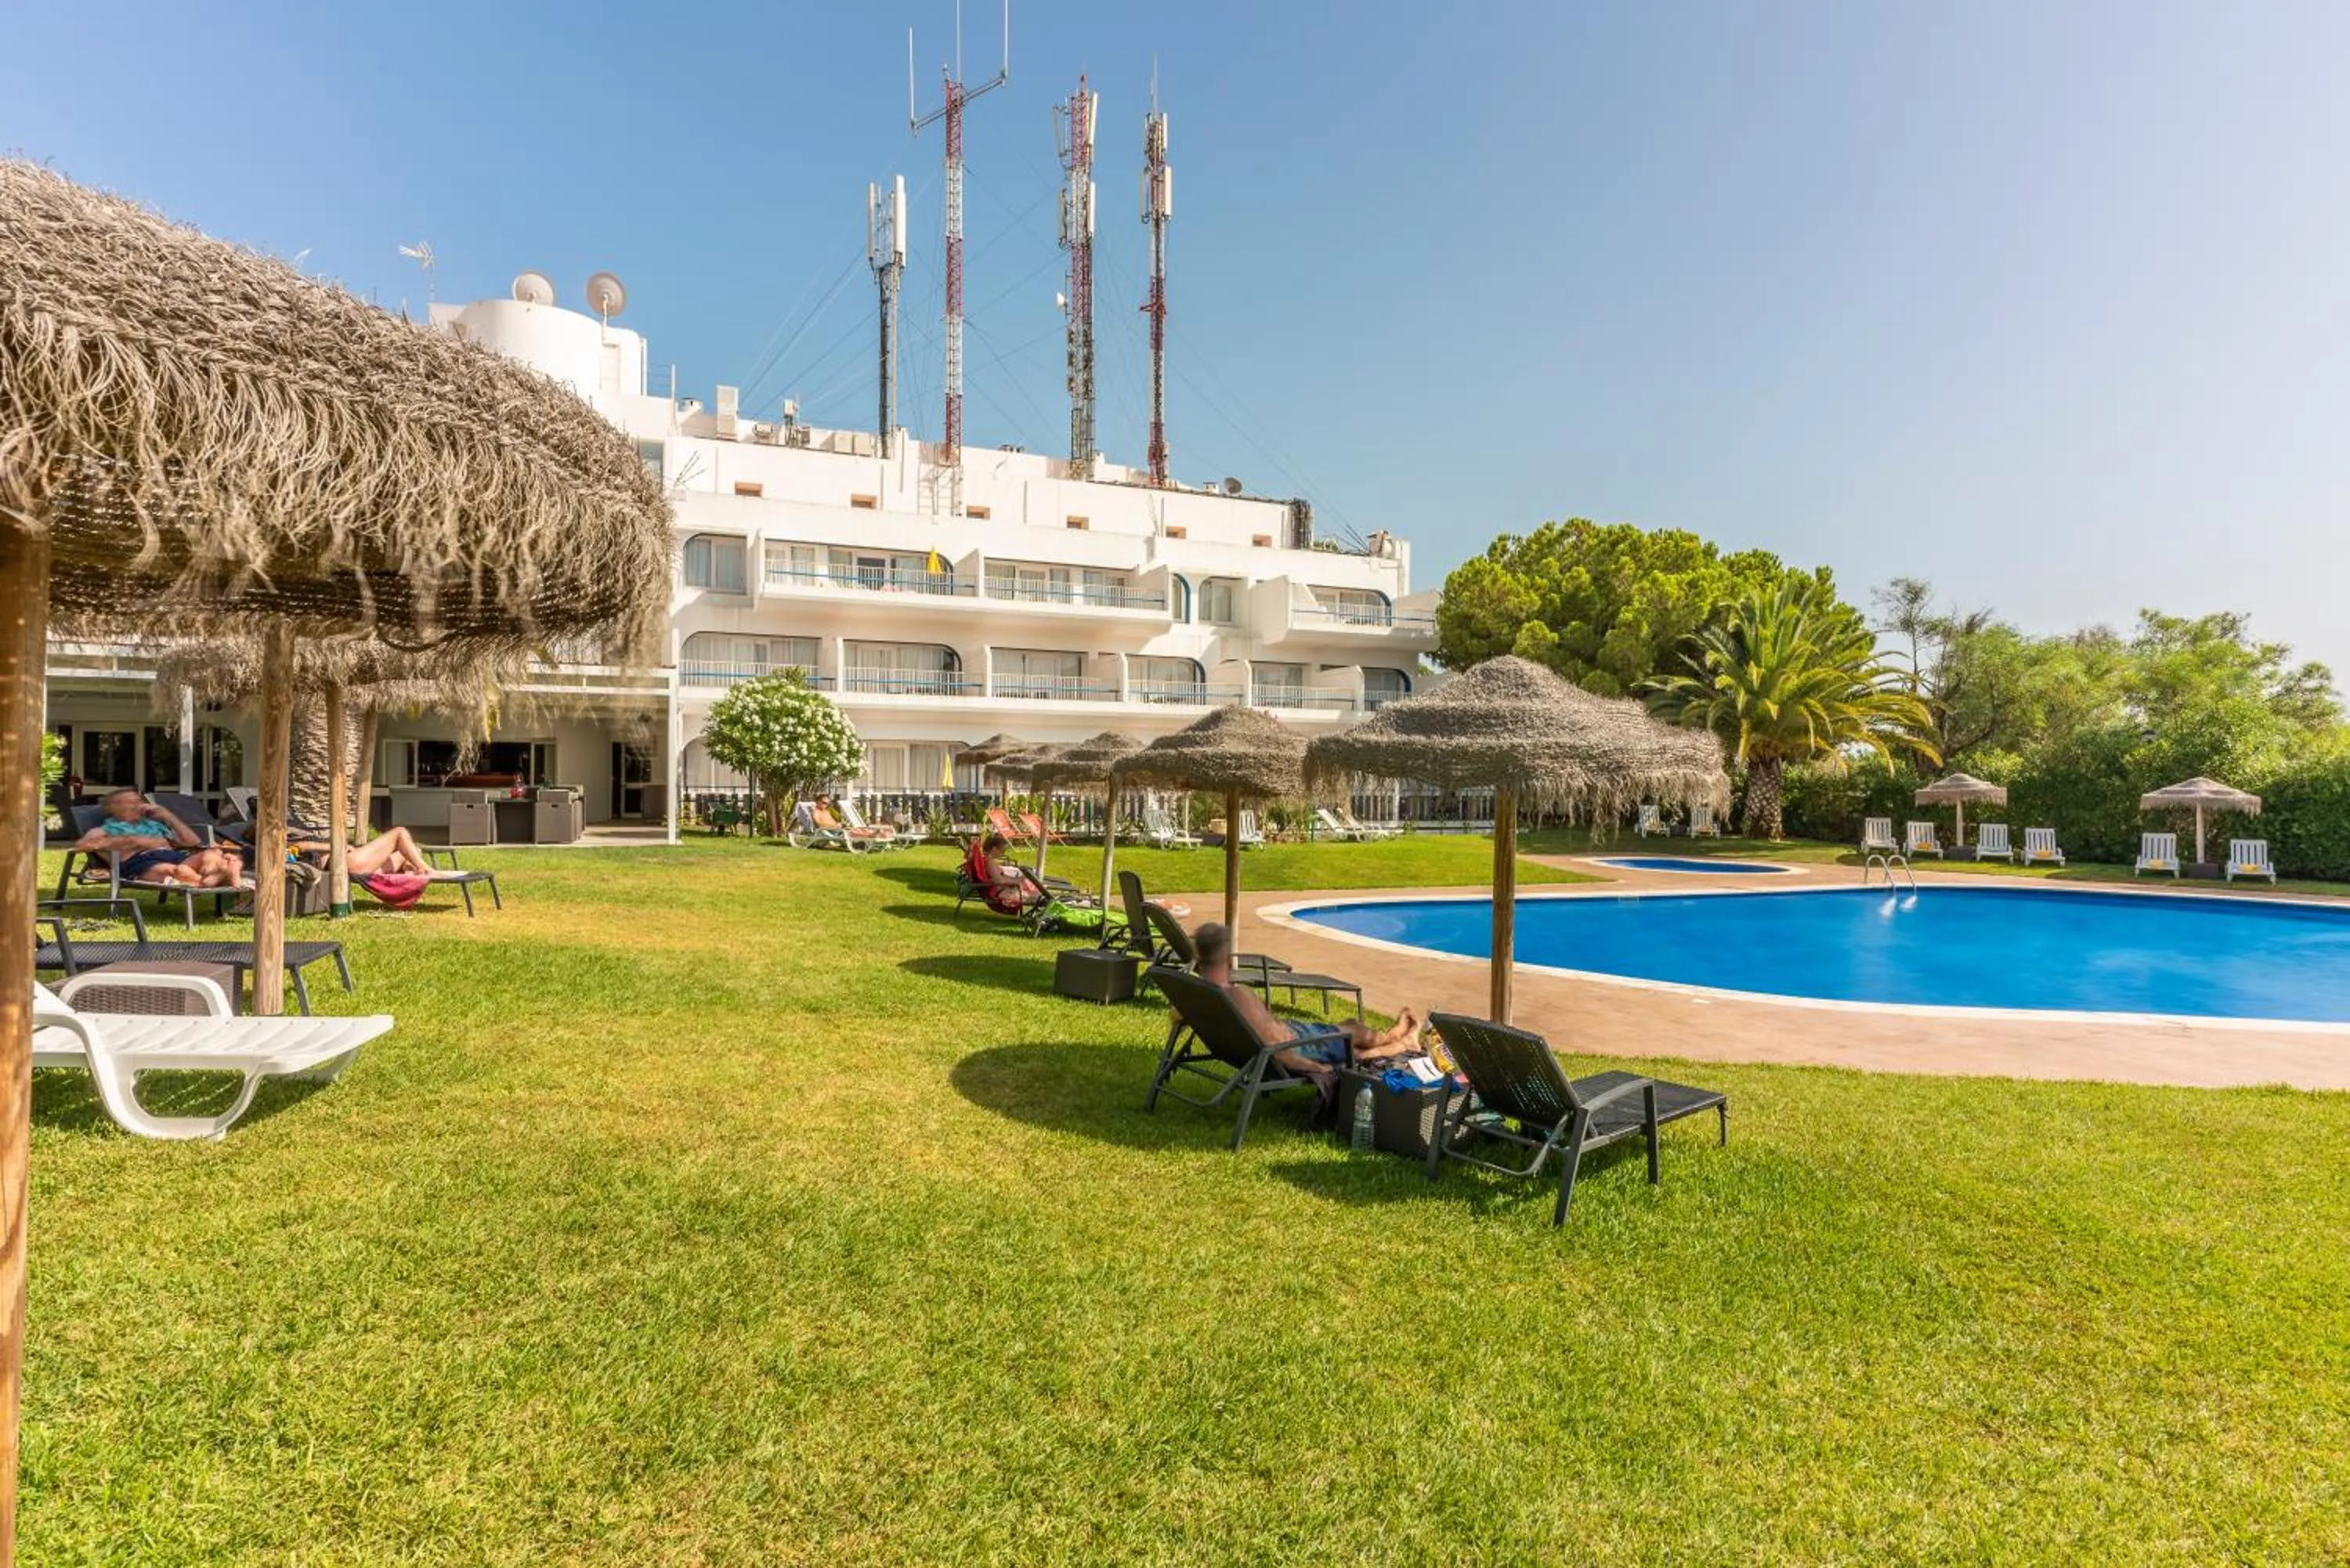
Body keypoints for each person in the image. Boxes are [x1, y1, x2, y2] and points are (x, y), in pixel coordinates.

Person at [1193, 921, 1420, 1080]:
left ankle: (1393, 1036)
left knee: (1351, 1029)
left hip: (1277, 1040)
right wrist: (1312, 1067)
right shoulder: (1239, 995)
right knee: (1356, 1033)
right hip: (1298, 1044)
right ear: (1226, 956)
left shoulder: (1196, 991)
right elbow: (1278, 1050)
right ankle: (1402, 1043)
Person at [72, 789, 248, 889]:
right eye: (129, 802)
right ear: (113, 808)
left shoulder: (154, 825)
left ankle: (214, 878)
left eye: (138, 801)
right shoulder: (105, 829)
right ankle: (229, 871)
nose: (137, 805)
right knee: (178, 872)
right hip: (140, 863)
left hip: (176, 856)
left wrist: (168, 816)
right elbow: (81, 846)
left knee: (212, 853)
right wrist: (131, 841)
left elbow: (193, 842)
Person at [967, 832, 1041, 916]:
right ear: (994, 849)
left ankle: (1041, 902)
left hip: (1001, 892)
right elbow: (999, 880)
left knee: (1032, 890)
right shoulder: (989, 862)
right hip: (1002, 896)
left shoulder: (986, 860)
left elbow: (996, 878)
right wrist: (1017, 880)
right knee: (1037, 896)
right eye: (1002, 850)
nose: (1003, 853)